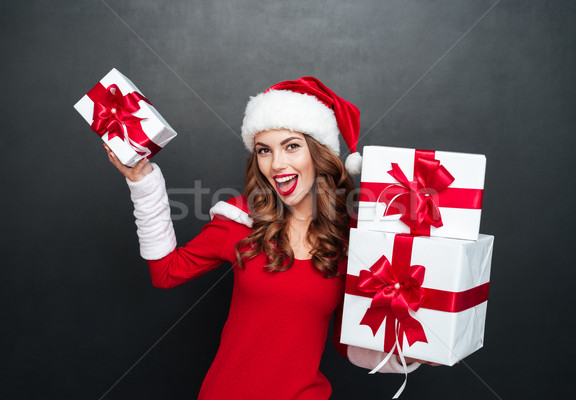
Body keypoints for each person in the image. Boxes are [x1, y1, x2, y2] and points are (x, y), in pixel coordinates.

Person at [103, 77, 422, 400]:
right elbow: (166, 273)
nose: (277, 163)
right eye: (264, 151)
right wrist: (144, 184)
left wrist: (408, 356)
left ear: (319, 153)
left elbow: (347, 341)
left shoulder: (351, 242)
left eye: (292, 146)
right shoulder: (240, 221)